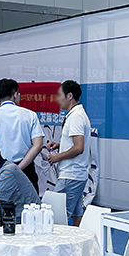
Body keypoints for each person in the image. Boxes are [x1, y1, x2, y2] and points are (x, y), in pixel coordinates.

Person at [0, 78, 44, 192]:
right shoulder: (30, 115)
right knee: (29, 202)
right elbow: (38, 145)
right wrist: (18, 168)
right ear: (15, 95)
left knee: (0, 202)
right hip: (25, 170)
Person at [47, 80, 91, 225]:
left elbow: (78, 148)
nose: (58, 99)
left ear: (70, 96)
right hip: (77, 175)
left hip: (70, 176)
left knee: (58, 217)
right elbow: (76, 144)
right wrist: (60, 146)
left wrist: (57, 156)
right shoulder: (77, 114)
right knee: (77, 216)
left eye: (60, 95)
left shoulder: (76, 117)